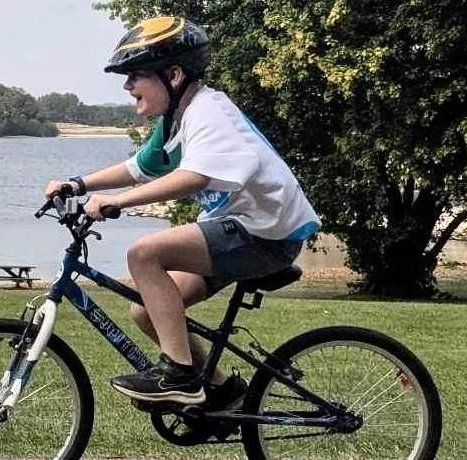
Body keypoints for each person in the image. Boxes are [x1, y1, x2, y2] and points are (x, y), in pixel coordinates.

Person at [44, 16, 320, 407]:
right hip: (241, 232)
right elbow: (138, 168)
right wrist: (79, 184)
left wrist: (118, 202)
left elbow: (193, 177)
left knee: (144, 253)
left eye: (135, 75)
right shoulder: (178, 119)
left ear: (172, 75)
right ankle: (223, 391)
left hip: (264, 236)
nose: (127, 85)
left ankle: (181, 376)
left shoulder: (209, 113)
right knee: (145, 310)